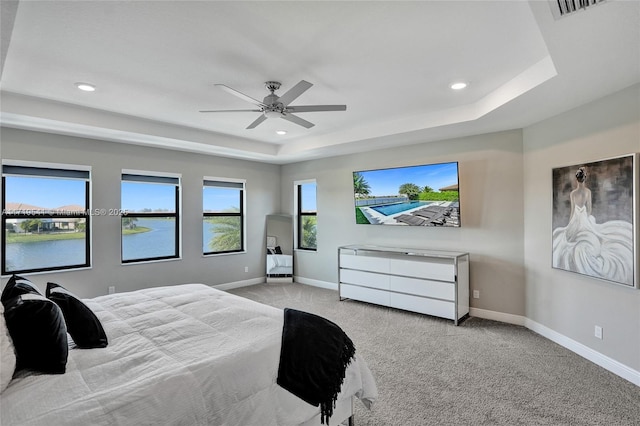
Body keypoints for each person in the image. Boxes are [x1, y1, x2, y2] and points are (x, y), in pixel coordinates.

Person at [552, 166, 634, 286]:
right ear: (584, 179)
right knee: (590, 234)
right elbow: (589, 209)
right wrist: (586, 217)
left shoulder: (573, 193)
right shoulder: (588, 192)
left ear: (576, 180)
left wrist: (571, 223)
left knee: (568, 237)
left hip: (575, 217)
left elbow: (572, 210)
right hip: (583, 216)